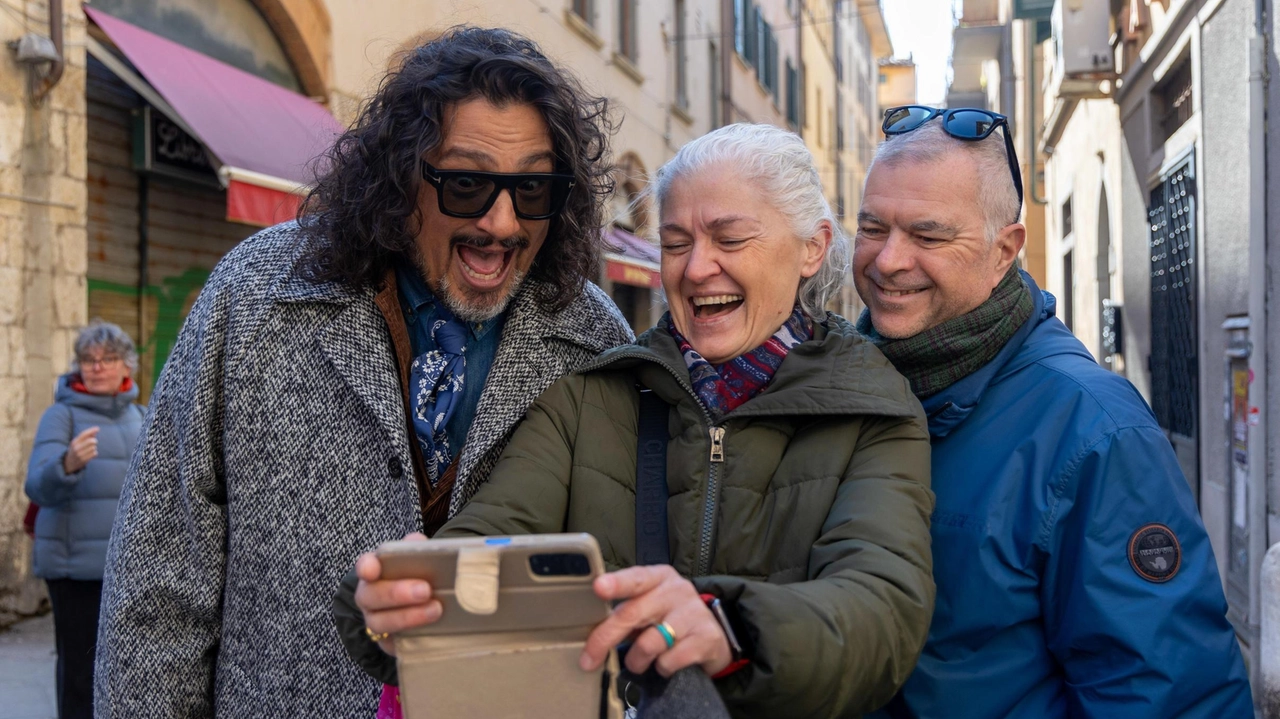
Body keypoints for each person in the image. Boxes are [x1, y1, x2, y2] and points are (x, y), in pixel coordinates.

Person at [94, 27, 634, 719]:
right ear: (401, 175)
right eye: (467, 184)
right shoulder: (254, 295)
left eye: (533, 188)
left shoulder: (594, 339)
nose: (502, 222)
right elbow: (159, 577)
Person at [338, 123, 936, 719]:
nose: (697, 269)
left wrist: (729, 625)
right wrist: (406, 602)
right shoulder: (588, 399)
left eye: (729, 240)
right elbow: (483, 545)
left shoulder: (876, 408)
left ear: (813, 247)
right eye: (676, 244)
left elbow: (881, 612)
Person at [854, 107, 1253, 717]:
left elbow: (1166, 696)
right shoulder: (842, 387)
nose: (887, 261)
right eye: (872, 228)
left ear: (1004, 251)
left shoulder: (1095, 431)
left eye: (928, 236)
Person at [25, 320, 143, 719]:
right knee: (78, 672)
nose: (97, 367)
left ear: (127, 366)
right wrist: (66, 464)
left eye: (108, 358)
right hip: (73, 570)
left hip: (124, 572)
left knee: (123, 672)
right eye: (88, 360)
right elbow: (37, 487)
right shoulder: (61, 417)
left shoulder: (141, 418)